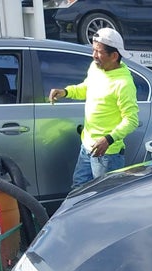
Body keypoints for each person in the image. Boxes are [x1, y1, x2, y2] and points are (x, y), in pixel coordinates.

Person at [48, 28, 139, 188]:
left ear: (114, 56)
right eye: (93, 50)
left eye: (99, 52)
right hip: (87, 146)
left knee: (104, 198)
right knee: (78, 190)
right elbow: (87, 87)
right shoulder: (96, 68)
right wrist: (65, 92)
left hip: (107, 155)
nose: (94, 55)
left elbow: (131, 120)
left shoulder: (124, 84)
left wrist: (108, 139)